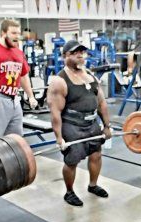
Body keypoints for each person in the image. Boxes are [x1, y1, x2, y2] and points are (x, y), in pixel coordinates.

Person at [47, 40, 111, 207]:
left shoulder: (90, 75)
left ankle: (93, 185)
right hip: (72, 125)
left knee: (96, 154)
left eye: (82, 52)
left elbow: (102, 103)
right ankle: (69, 192)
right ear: (65, 56)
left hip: (92, 123)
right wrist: (59, 138)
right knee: (72, 161)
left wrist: (107, 126)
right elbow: (55, 113)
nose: (80, 55)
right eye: (75, 53)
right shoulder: (59, 81)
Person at [0, 19, 38, 141]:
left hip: (15, 101)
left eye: (18, 33)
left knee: (16, 141)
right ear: (3, 33)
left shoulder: (18, 52)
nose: (17, 36)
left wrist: (31, 96)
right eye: (13, 33)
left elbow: (23, 75)